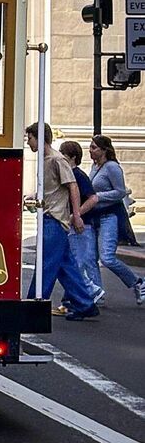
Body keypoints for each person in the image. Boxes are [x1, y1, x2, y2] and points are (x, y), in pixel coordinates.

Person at [24, 123, 97, 319]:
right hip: (51, 217)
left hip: (55, 219)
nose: (27, 142)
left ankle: (33, 304)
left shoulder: (57, 160)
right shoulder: (45, 159)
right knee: (66, 266)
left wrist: (77, 215)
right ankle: (85, 303)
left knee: (46, 264)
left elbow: (73, 187)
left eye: (29, 138)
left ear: (38, 137)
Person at [89, 135, 145, 305]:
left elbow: (120, 192)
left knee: (107, 257)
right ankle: (97, 293)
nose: (90, 151)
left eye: (94, 148)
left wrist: (97, 197)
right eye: (90, 147)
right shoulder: (94, 166)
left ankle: (138, 282)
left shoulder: (112, 167)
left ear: (104, 150)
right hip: (95, 216)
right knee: (92, 257)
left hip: (110, 216)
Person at [58, 141, 104, 306]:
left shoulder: (77, 175)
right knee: (72, 262)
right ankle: (72, 299)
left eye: (63, 154)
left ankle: (91, 291)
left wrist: (76, 215)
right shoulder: (71, 174)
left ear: (72, 157)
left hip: (81, 226)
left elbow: (93, 198)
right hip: (77, 224)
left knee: (75, 263)